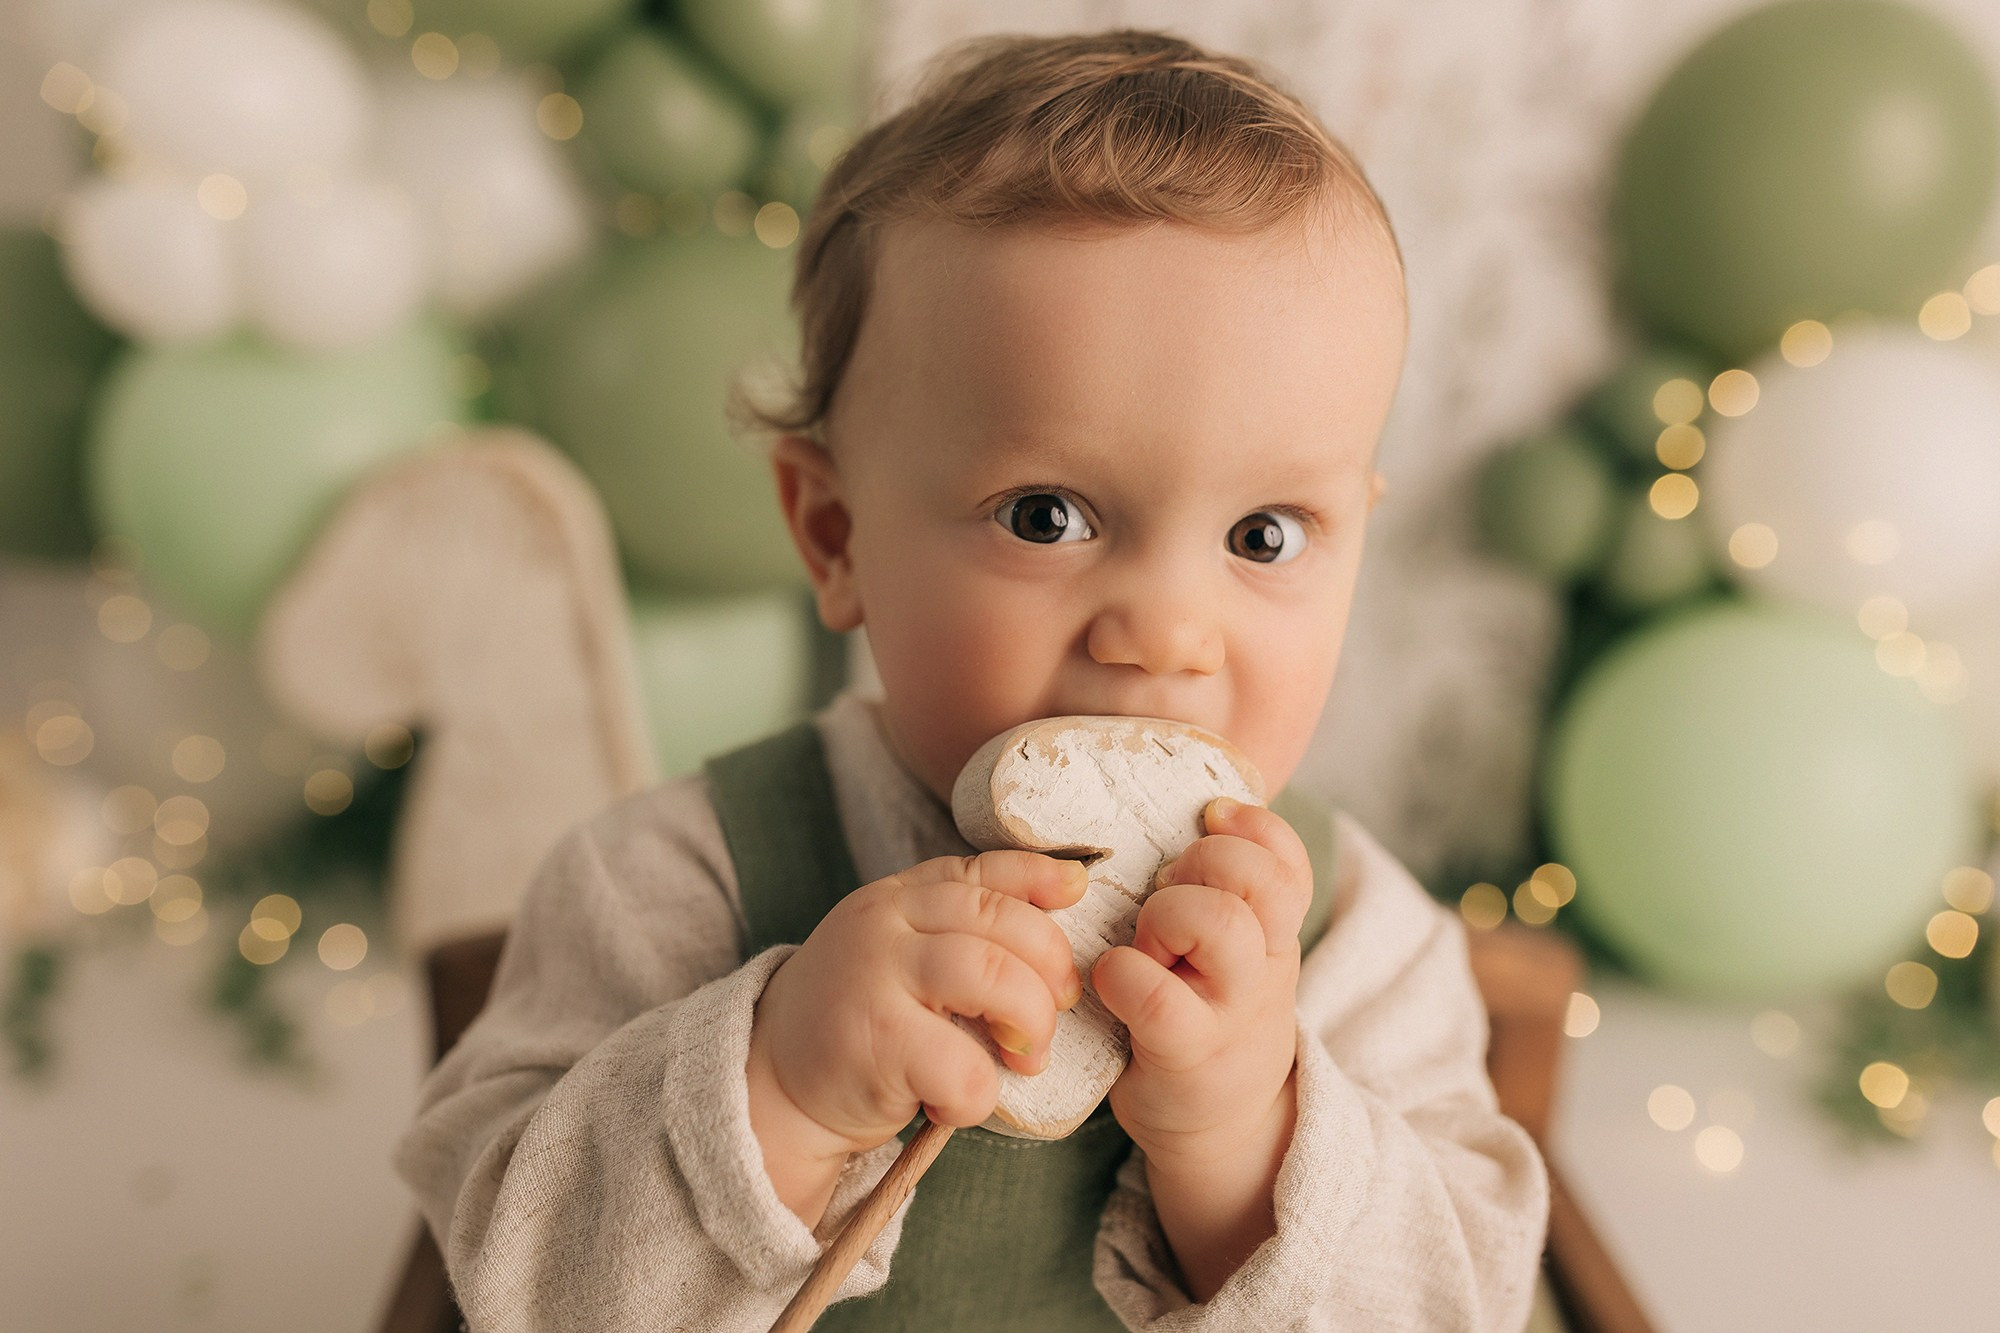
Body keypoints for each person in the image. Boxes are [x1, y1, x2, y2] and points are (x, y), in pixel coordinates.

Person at [395, 28, 1550, 1331]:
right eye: (1046, 515)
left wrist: (1248, 1133)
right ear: (837, 536)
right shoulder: (672, 884)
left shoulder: (1358, 942)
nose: (1167, 633)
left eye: (1264, 536)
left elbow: (1463, 1300)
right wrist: (775, 1089)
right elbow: (518, 1283)